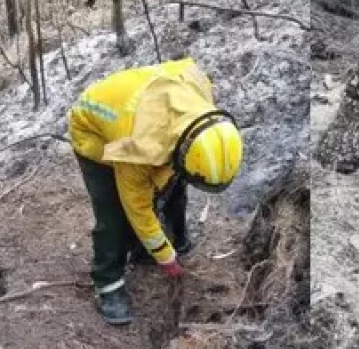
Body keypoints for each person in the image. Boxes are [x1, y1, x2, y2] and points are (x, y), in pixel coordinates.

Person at [68, 58, 244, 326]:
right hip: (96, 130)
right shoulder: (136, 149)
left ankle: (167, 241)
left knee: (174, 184)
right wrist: (166, 258)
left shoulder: (201, 109)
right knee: (115, 215)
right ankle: (108, 284)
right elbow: (137, 208)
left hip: (148, 111)